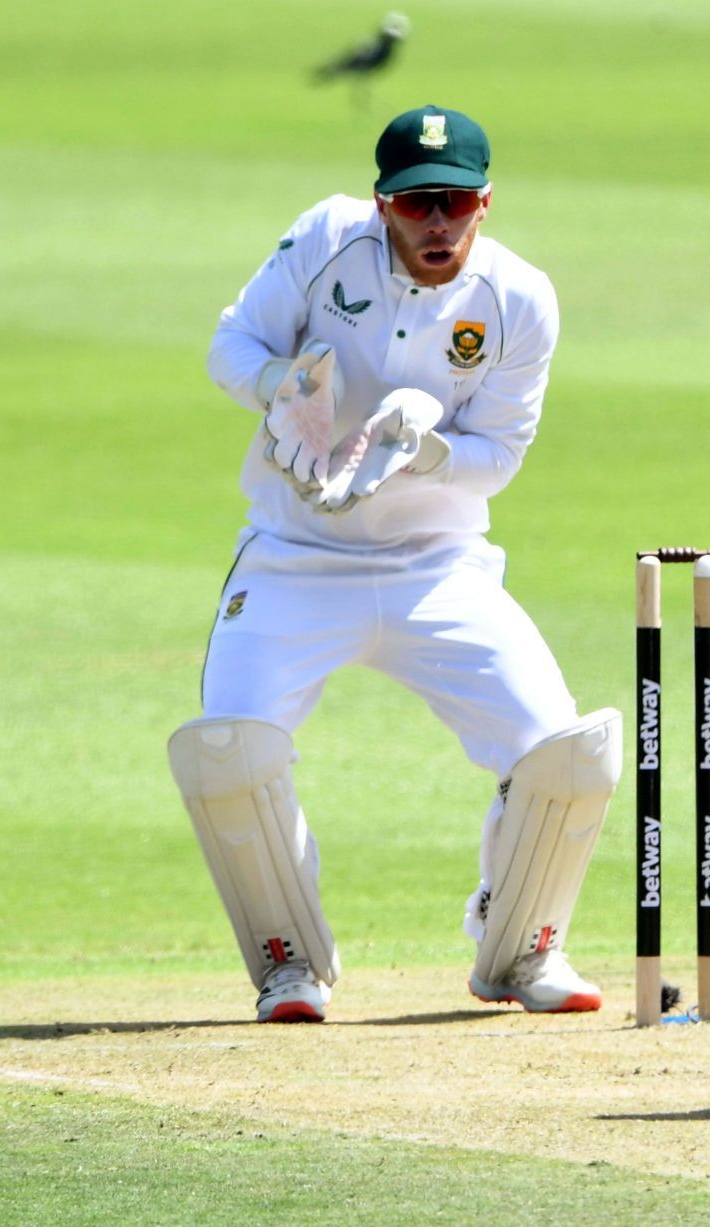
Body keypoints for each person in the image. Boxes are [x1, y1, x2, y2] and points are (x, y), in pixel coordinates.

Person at [167, 104, 621, 1024]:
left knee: (564, 754)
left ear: (486, 202)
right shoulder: (325, 239)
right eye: (416, 206)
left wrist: (424, 452)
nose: (437, 223)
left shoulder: (519, 299)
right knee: (229, 753)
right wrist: (280, 388)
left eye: (454, 201)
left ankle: (521, 945)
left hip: (437, 563)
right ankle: (290, 964)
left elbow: (498, 454)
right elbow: (232, 344)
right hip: (296, 554)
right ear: (382, 206)